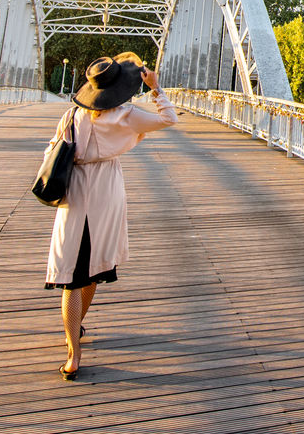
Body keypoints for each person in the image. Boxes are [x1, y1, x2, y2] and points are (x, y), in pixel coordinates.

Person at [43, 51, 176, 380]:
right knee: (95, 267)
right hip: (105, 193)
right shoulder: (126, 115)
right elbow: (169, 118)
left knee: (71, 275)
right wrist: (156, 88)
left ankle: (73, 351)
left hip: (74, 193)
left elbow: (51, 150)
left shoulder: (72, 115)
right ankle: (76, 329)